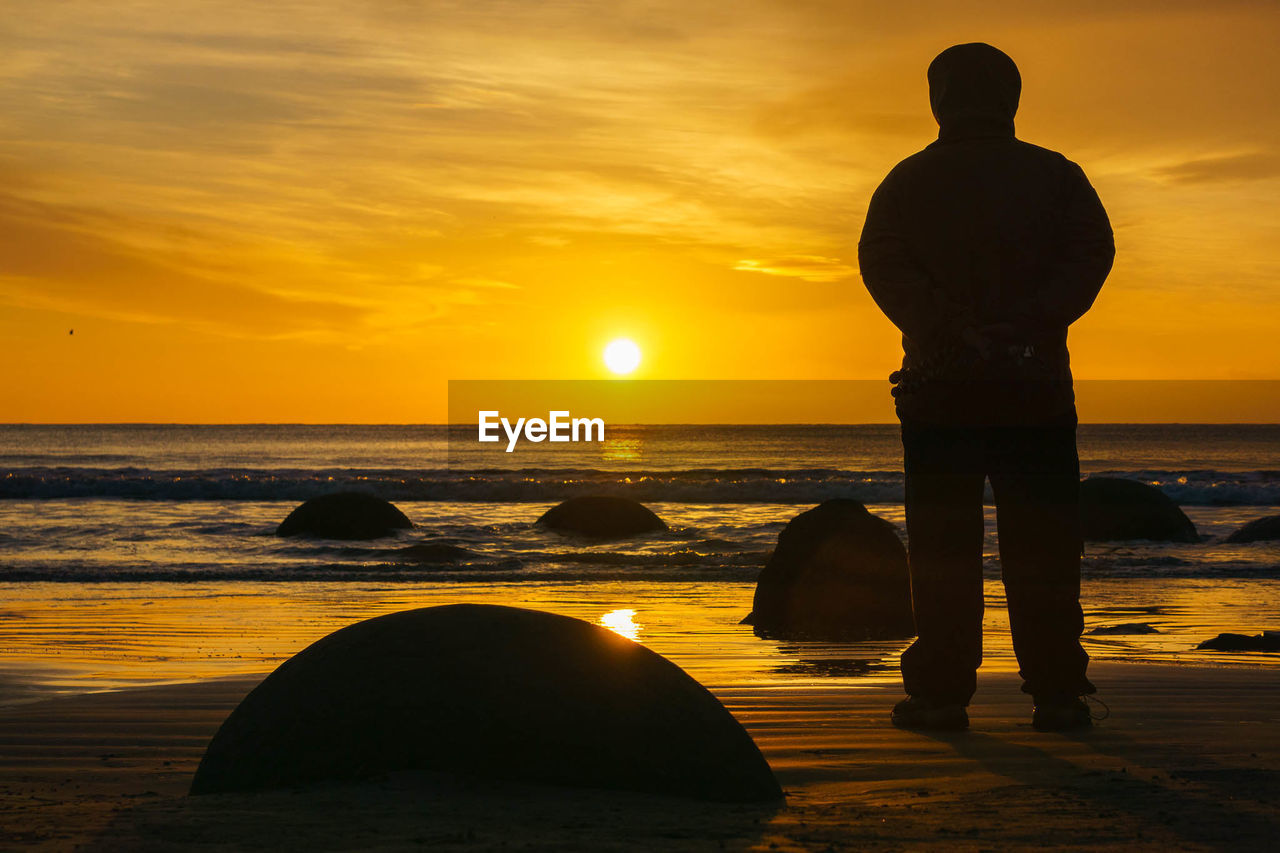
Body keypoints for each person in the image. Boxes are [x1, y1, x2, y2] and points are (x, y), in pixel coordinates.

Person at [858, 42, 1114, 732]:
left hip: (941, 389)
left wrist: (945, 326)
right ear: (1012, 98)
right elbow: (1093, 253)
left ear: (940, 99)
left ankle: (942, 694)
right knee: (1046, 544)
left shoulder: (907, 181)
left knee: (942, 546)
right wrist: (1031, 317)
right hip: (1033, 387)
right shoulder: (1056, 177)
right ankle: (1058, 692)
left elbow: (881, 263)